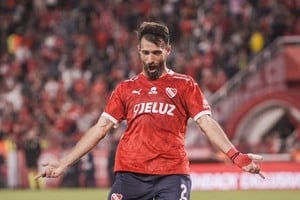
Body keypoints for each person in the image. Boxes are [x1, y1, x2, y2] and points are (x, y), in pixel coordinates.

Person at [36, 22, 264, 200]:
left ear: (168, 50)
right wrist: (64, 163)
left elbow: (206, 123)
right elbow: (101, 128)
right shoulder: (126, 89)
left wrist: (235, 155)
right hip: (130, 173)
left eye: (156, 53)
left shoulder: (185, 85)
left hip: (172, 174)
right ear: (138, 51)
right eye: (145, 53)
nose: (150, 59)